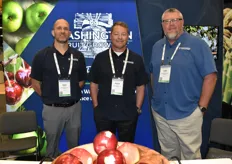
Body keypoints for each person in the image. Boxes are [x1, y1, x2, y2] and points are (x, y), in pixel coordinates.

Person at [149, 8, 217, 160]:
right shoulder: (157, 47)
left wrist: (202, 108)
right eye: (167, 21)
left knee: (190, 156)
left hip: (187, 114)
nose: (171, 25)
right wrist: (158, 99)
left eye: (175, 20)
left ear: (182, 23)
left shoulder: (198, 45)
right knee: (168, 155)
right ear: (162, 25)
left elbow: (211, 77)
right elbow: (153, 74)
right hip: (161, 113)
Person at [30, 19, 87, 158]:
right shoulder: (41, 56)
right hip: (52, 109)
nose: (62, 31)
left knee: (74, 149)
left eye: (66, 29)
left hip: (74, 108)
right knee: (51, 150)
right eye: (59, 28)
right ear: (53, 32)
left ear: (70, 33)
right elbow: (35, 82)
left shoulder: (78, 56)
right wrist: (50, 97)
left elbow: (81, 81)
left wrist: (69, 95)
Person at [89, 21, 149, 142]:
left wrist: (137, 109)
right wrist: (96, 107)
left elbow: (141, 86)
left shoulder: (136, 59)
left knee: (126, 149)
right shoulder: (100, 58)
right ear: (110, 36)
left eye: (123, 34)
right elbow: (93, 84)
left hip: (128, 114)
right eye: (116, 34)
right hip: (104, 115)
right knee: (104, 149)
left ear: (128, 36)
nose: (120, 37)